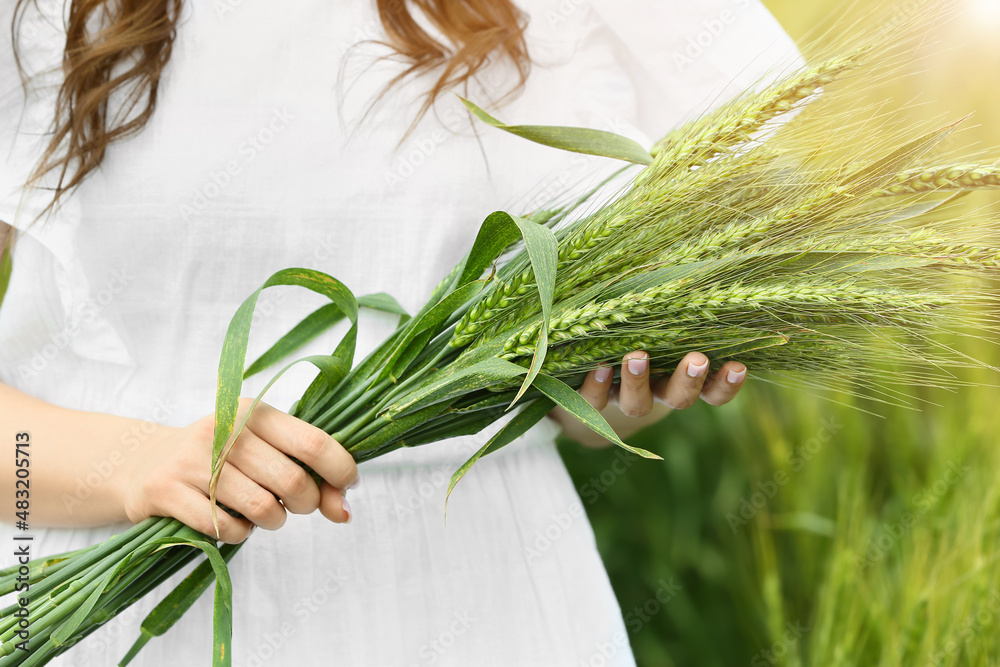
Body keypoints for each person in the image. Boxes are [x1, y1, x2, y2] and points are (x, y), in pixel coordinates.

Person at [0, 0, 800, 664]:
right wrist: (134, 459)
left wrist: (615, 402)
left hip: (488, 602)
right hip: (117, 600)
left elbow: (575, 387)